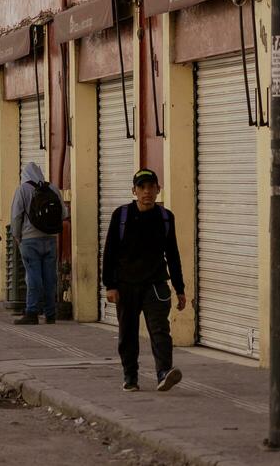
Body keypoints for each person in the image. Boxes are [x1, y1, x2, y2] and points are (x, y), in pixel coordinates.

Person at [103, 168, 186, 393]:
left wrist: (179, 288)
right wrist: (109, 285)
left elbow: (173, 254)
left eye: (151, 187)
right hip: (126, 285)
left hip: (155, 284)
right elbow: (109, 252)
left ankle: (164, 372)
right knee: (128, 332)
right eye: (142, 187)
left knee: (160, 329)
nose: (147, 192)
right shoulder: (121, 216)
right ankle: (130, 376)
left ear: (159, 190)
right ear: (134, 191)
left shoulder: (166, 218)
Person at [10, 161, 66, 325]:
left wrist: (17, 235)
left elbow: (16, 216)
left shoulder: (22, 190)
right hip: (50, 239)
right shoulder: (52, 189)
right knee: (50, 277)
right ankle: (50, 314)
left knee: (33, 276)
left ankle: (32, 312)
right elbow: (63, 213)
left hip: (29, 240)